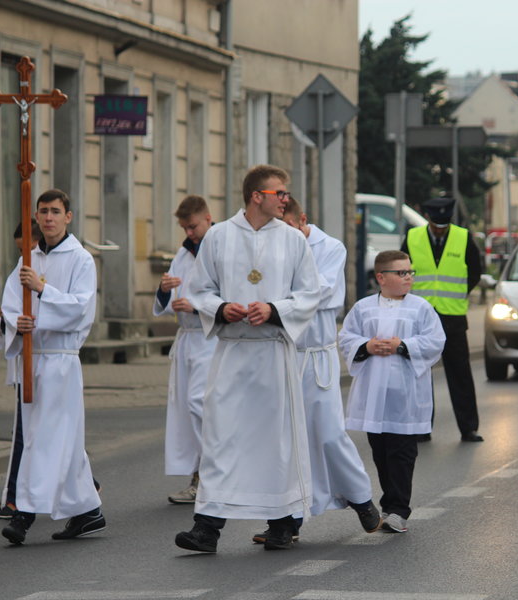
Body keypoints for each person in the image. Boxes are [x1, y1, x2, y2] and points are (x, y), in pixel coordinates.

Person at [175, 164, 320, 553]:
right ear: (258, 196)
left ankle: (281, 522)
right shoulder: (220, 236)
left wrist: (273, 310)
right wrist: (222, 309)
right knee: (222, 438)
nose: (285, 199)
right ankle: (207, 529)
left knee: (275, 442)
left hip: (273, 352)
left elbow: (310, 293)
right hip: (233, 352)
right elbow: (200, 289)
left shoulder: (293, 241)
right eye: (279, 193)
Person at [250, 197, 380, 543]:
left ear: (302, 220)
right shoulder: (274, 246)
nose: (285, 236)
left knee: (328, 433)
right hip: (282, 353)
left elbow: (324, 293)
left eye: (290, 229)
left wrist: (276, 303)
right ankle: (285, 522)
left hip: (316, 355)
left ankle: (361, 499)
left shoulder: (330, 247)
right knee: (283, 440)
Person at [0, 189, 105, 544]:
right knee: (61, 441)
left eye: (55, 211)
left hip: (60, 361)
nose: (48, 217)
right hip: (32, 359)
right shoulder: (28, 257)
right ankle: (87, 511)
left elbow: (80, 310)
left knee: (44, 440)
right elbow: (10, 302)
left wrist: (43, 291)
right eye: (43, 211)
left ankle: (24, 515)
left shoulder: (81, 260)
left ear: (68, 216)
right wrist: (17, 324)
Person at [338, 250, 446, 533]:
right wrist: (367, 346)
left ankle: (399, 509)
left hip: (406, 394)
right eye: (401, 273)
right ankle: (389, 503)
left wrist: (403, 345)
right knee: (380, 450)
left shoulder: (421, 307)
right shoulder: (363, 308)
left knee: (402, 451)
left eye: (410, 272)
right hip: (374, 393)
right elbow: (346, 337)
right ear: (381, 278)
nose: (408, 277)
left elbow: (435, 341)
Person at [400, 197, 483, 442]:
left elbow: (475, 270)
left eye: (443, 226)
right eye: (436, 225)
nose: (439, 230)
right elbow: (402, 270)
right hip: (420, 317)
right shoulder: (413, 237)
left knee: (460, 374)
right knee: (420, 373)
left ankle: (469, 428)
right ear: (428, 219)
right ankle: (422, 426)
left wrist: (460, 294)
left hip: (453, 316)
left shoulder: (463, 237)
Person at [153, 195, 217, 505]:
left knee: (198, 403)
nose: (188, 233)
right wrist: (166, 290)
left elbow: (230, 296)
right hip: (187, 338)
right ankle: (197, 473)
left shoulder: (221, 247)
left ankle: (212, 472)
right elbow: (168, 301)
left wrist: (196, 306)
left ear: (208, 217)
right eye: (184, 227)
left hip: (209, 337)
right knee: (184, 409)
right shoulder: (183, 252)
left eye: (192, 226)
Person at [0, 219, 41, 520]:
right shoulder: (21, 267)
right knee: (37, 431)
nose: (25, 253)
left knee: (33, 433)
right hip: (28, 361)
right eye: (20, 248)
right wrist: (8, 322)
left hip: (51, 361)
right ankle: (88, 486)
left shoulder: (58, 264)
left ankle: (14, 500)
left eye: (29, 246)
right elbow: (10, 311)